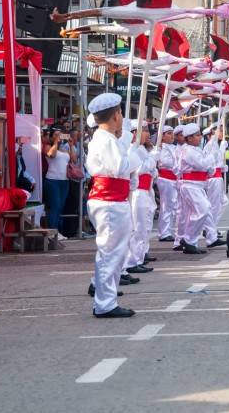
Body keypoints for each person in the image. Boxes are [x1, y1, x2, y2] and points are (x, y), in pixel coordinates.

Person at [84, 94, 144, 318]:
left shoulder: (107, 139)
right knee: (110, 252)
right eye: (120, 113)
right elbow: (120, 167)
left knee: (115, 252)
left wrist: (127, 143)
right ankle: (105, 303)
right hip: (108, 201)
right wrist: (135, 155)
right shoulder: (104, 139)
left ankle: (106, 294)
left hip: (112, 199)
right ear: (116, 115)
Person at [175, 123, 215, 255]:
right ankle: (188, 239)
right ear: (189, 138)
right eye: (197, 135)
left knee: (202, 210)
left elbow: (209, 170)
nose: (200, 138)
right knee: (202, 210)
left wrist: (209, 162)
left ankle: (190, 241)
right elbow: (201, 164)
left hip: (197, 185)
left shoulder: (196, 150)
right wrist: (210, 158)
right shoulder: (188, 151)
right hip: (190, 184)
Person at [124, 122, 156, 275]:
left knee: (145, 227)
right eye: (145, 130)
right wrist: (152, 160)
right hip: (137, 192)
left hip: (146, 191)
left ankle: (139, 257)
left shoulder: (141, 149)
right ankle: (133, 261)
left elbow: (152, 172)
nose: (148, 134)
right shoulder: (132, 150)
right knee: (137, 228)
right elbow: (140, 169)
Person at [44, 128, 76, 233]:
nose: (59, 136)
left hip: (64, 181)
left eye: (60, 134)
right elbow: (51, 155)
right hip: (53, 180)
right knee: (55, 205)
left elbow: (74, 159)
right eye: (56, 135)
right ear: (52, 137)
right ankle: (53, 231)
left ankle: (57, 230)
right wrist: (55, 142)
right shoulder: (49, 147)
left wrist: (71, 146)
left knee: (60, 206)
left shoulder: (64, 149)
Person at [202, 126, 228, 249]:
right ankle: (209, 230)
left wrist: (223, 166)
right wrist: (222, 149)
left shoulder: (215, 145)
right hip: (213, 179)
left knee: (223, 202)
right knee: (213, 205)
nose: (222, 133)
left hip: (218, 177)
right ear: (210, 134)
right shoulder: (211, 145)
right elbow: (211, 163)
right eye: (219, 131)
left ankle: (211, 228)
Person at [155, 125, 178, 242]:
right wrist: (177, 162)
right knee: (167, 206)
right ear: (162, 136)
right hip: (166, 179)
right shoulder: (162, 147)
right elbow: (166, 162)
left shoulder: (173, 147)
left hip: (173, 179)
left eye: (172, 133)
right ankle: (164, 232)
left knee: (173, 206)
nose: (172, 135)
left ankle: (168, 230)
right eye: (168, 133)